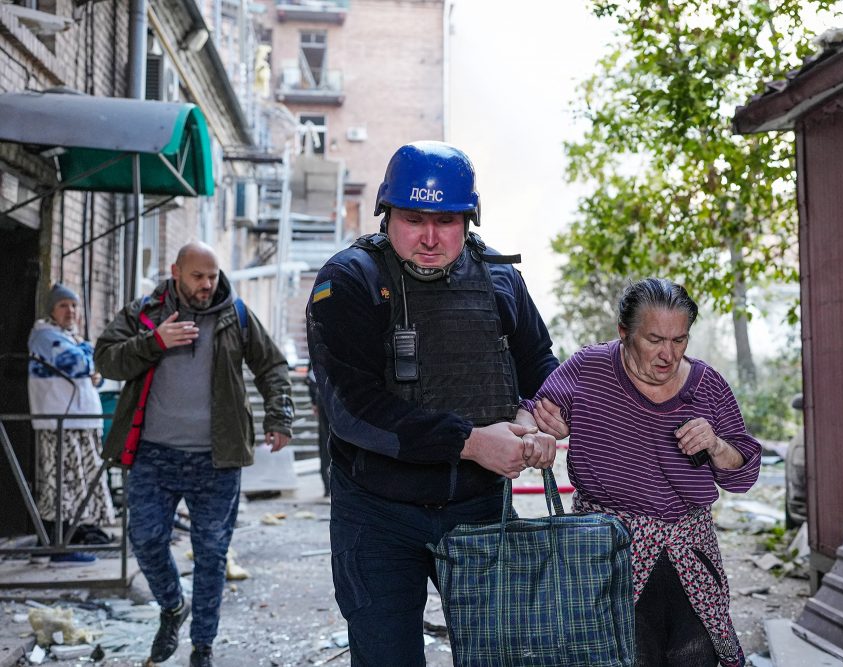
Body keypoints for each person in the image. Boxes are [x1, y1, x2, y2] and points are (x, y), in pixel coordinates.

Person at [307, 140, 560, 665]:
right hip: (378, 513)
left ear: (469, 220)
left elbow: (543, 365)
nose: (428, 237)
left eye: (445, 220)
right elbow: (352, 410)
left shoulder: (500, 280)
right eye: (413, 217)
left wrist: (532, 414)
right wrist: (469, 443)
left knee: (495, 656)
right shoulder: (349, 281)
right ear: (386, 213)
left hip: (478, 509)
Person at [523, 278, 762, 667]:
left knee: (694, 657)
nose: (668, 354)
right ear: (624, 332)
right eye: (654, 340)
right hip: (608, 554)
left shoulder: (708, 386)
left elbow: (743, 476)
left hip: (689, 558)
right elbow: (532, 412)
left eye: (679, 340)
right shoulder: (590, 369)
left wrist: (717, 445)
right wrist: (538, 431)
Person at [96, 242, 294, 667]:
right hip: (153, 455)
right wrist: (154, 341)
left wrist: (279, 417)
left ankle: (202, 648)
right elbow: (106, 360)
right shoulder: (144, 312)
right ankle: (172, 607)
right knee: (146, 541)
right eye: (197, 276)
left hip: (216, 459)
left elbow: (272, 366)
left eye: (213, 275)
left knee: (211, 555)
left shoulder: (235, 314)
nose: (207, 285)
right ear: (176, 272)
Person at [27, 283, 116, 565]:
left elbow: (94, 369)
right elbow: (76, 362)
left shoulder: (69, 337)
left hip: (79, 421)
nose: (71, 311)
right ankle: (53, 548)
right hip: (58, 423)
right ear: (52, 310)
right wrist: (90, 357)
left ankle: (64, 540)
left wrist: (93, 365)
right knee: (60, 485)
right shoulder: (44, 335)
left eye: (74, 306)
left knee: (77, 485)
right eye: (64, 305)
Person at [305, 361, 331, 497]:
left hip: (327, 396)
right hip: (329, 397)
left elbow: (310, 377)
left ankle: (329, 484)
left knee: (327, 442)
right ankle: (328, 484)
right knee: (328, 442)